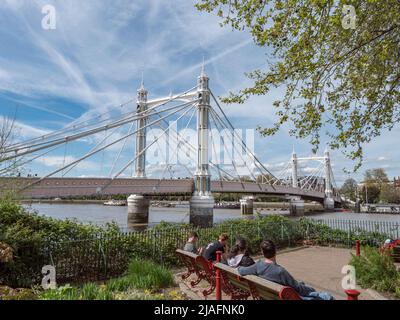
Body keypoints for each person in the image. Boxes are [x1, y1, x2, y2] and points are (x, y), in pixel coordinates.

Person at [238, 240, 334, 300]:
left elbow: (241, 271)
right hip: (288, 296)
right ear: (275, 251)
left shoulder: (258, 266)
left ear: (263, 252)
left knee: (302, 284)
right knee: (327, 296)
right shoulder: (280, 271)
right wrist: (311, 289)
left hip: (268, 296)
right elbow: (299, 289)